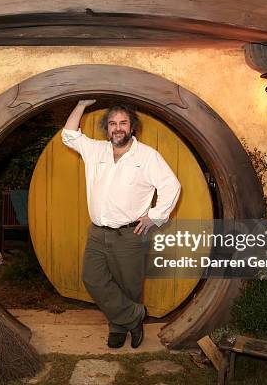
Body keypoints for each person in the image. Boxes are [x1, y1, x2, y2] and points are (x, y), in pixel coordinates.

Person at [61, 99, 181, 348]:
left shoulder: (147, 156)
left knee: (128, 286)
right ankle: (134, 317)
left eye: (123, 123)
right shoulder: (96, 150)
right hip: (97, 233)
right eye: (113, 123)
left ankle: (118, 329)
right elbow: (69, 135)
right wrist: (81, 104)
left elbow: (172, 186)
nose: (118, 128)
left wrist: (155, 216)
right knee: (93, 279)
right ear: (107, 128)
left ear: (132, 127)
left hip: (129, 235)